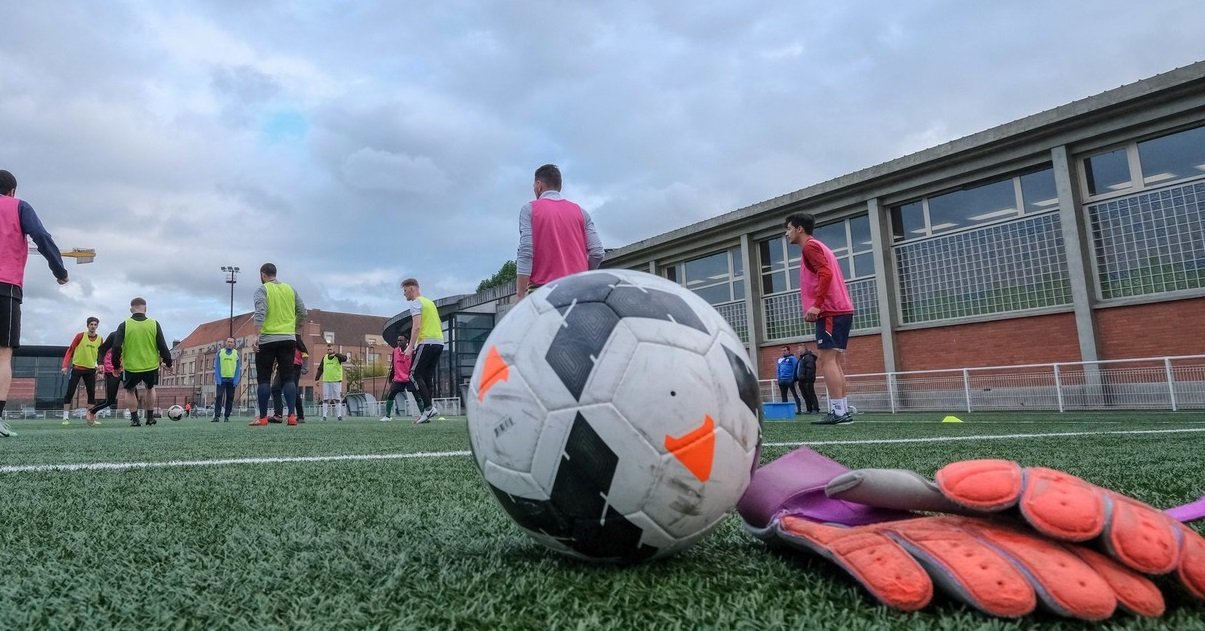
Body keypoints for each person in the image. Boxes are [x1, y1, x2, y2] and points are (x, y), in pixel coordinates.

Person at [0, 170, 69, 422]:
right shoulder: (19, 207)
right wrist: (59, 271)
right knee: (3, 354)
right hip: (5, 287)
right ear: (12, 191)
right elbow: (41, 236)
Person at [785, 212, 856, 425]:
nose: (786, 233)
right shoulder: (820, 247)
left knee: (826, 361)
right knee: (833, 360)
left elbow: (825, 273)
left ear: (799, 229)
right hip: (840, 309)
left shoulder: (811, 247)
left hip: (830, 310)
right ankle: (842, 410)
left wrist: (817, 304)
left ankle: (838, 412)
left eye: (788, 229)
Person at [514, 164, 605, 300]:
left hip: (544, 293)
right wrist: (582, 274)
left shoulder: (529, 210)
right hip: (579, 292)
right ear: (559, 186)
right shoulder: (581, 212)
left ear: (539, 185)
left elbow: (526, 251)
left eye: (534, 186)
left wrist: (520, 295)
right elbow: (597, 252)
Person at [249, 263, 305, 427]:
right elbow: (302, 311)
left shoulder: (262, 290)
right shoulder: (290, 289)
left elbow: (260, 311)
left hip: (267, 339)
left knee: (264, 379)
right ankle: (292, 416)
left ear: (262, 275)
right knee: (288, 378)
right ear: (275, 273)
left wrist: (256, 335)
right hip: (288, 339)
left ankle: (263, 418)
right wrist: (294, 329)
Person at [110, 297, 173, 427]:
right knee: (150, 388)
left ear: (131, 310)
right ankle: (150, 418)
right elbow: (163, 346)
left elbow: (116, 347)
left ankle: (135, 419)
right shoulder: (154, 324)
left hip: (131, 367)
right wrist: (168, 363)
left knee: (130, 390)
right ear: (145, 309)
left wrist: (116, 365)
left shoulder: (124, 325)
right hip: (151, 365)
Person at [401, 278, 443, 424]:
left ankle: (428, 407)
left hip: (427, 342)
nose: (404, 295)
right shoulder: (430, 303)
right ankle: (428, 410)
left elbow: (417, 326)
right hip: (439, 342)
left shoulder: (416, 303)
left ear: (412, 289)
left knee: (413, 374)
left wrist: (410, 346)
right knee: (426, 377)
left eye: (405, 291)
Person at [60, 316, 102, 423]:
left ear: (97, 326)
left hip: (91, 370)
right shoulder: (80, 336)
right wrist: (65, 365)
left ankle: (90, 417)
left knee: (91, 393)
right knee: (70, 392)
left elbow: (101, 355)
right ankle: (65, 417)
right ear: (87, 325)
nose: (93, 326)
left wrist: (101, 368)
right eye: (91, 324)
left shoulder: (100, 339)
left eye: (95, 324)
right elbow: (70, 350)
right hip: (77, 368)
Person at [82, 329, 121, 426]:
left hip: (127, 369)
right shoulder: (114, 335)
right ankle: (92, 411)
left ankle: (135, 419)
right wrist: (100, 364)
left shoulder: (134, 336)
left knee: (133, 392)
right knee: (110, 400)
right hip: (111, 370)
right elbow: (102, 350)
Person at [379, 332, 419, 422]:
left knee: (417, 396)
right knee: (390, 396)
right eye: (398, 340)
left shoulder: (412, 351)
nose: (399, 342)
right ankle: (387, 416)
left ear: (406, 341)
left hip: (410, 378)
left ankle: (424, 414)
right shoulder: (395, 351)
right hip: (398, 378)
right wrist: (391, 376)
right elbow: (393, 364)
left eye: (401, 340)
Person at [271, 334, 308, 423]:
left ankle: (300, 416)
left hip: (295, 367)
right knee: (275, 388)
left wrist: (305, 367)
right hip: (282, 366)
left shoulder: (295, 337)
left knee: (293, 391)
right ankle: (278, 414)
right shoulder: (279, 337)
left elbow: (305, 353)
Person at [315, 344, 347, 421]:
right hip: (326, 381)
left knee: (337, 399)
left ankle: (339, 416)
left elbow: (345, 358)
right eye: (328, 349)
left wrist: (336, 354)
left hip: (336, 381)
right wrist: (317, 379)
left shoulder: (338, 357)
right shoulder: (325, 358)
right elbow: (320, 369)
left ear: (333, 349)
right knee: (325, 399)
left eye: (331, 349)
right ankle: (324, 416)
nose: (329, 351)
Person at [212, 337, 241, 422]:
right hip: (222, 379)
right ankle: (216, 416)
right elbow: (217, 367)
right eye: (228, 342)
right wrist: (218, 379)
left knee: (230, 398)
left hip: (232, 380)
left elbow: (238, 368)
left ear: (234, 344)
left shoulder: (236, 354)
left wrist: (236, 380)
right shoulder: (220, 353)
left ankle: (226, 416)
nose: (229, 343)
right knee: (219, 396)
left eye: (231, 342)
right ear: (226, 342)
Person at [776, 345, 802, 415]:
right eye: (782, 351)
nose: (783, 352)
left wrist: (793, 378)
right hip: (782, 380)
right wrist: (778, 378)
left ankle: (799, 410)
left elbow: (795, 368)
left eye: (785, 350)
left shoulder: (792, 358)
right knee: (783, 396)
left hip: (790, 379)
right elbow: (778, 369)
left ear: (788, 351)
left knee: (795, 394)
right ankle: (785, 411)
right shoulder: (780, 359)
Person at [796, 346, 820, 414]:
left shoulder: (808, 357)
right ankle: (809, 409)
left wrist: (807, 378)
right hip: (801, 380)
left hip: (807, 380)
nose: (798, 350)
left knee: (811, 394)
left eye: (799, 349)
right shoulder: (801, 358)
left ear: (804, 349)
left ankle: (815, 408)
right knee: (805, 395)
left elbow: (810, 369)